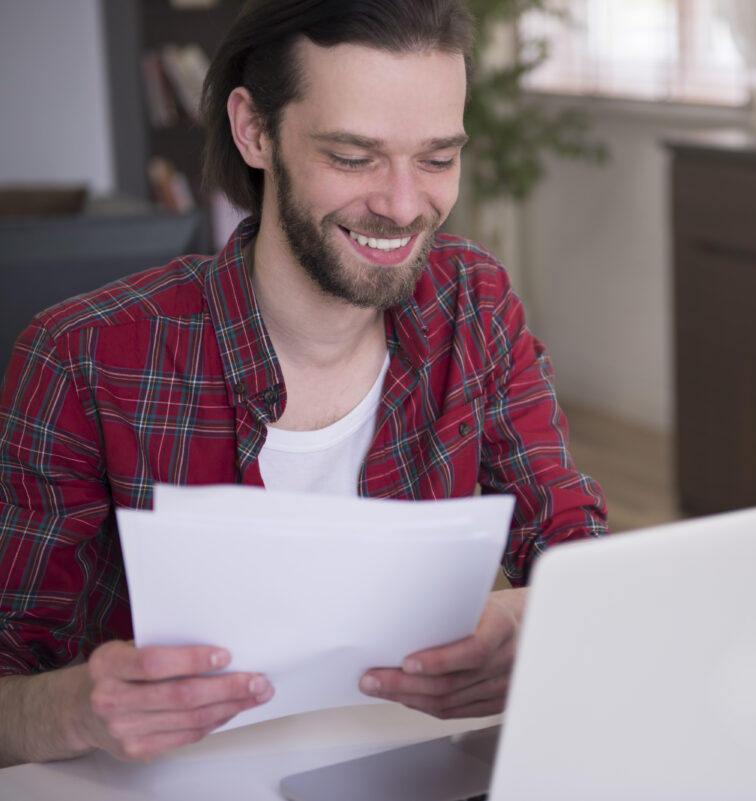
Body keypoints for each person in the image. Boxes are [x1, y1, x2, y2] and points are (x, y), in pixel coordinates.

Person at [0, 0, 607, 766]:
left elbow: (578, 553)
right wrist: (74, 708)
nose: (402, 204)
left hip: (414, 770)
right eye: (353, 158)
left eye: (437, 158)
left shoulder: (472, 305)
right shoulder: (84, 358)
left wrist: (528, 623)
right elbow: (7, 683)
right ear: (255, 129)